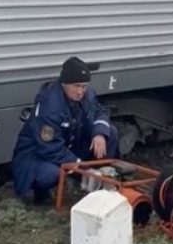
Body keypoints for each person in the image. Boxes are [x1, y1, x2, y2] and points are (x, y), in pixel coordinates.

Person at [11, 56, 120, 204]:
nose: (81, 91)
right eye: (76, 86)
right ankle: (37, 194)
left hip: (68, 145)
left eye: (84, 86)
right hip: (36, 155)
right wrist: (81, 167)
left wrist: (99, 133)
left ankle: (98, 181)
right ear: (64, 84)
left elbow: (99, 111)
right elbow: (49, 148)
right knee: (49, 174)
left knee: (110, 133)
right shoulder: (50, 106)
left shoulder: (87, 95)